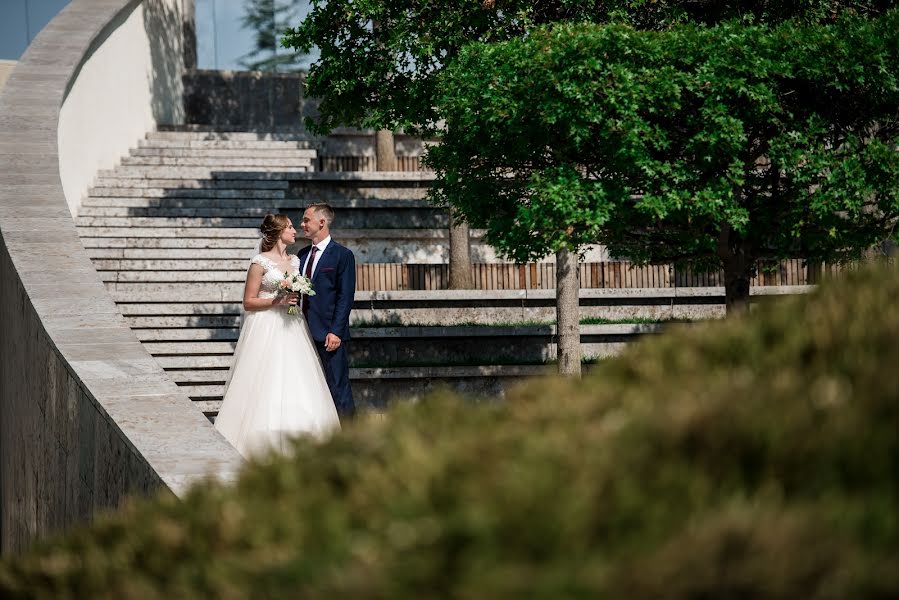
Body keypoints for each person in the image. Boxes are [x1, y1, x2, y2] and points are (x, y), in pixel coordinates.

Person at [214, 214, 340, 458]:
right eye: (291, 226)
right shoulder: (259, 263)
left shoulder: (295, 261)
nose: (296, 230)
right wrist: (277, 301)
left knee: (298, 378)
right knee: (265, 378)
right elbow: (248, 302)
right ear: (279, 231)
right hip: (267, 325)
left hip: (293, 326)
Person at [298, 203, 357, 417]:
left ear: (321, 222)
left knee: (337, 389)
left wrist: (336, 331)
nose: (302, 224)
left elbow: (345, 296)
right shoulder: (302, 255)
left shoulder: (343, 255)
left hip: (329, 335)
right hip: (301, 334)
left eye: (306, 220)